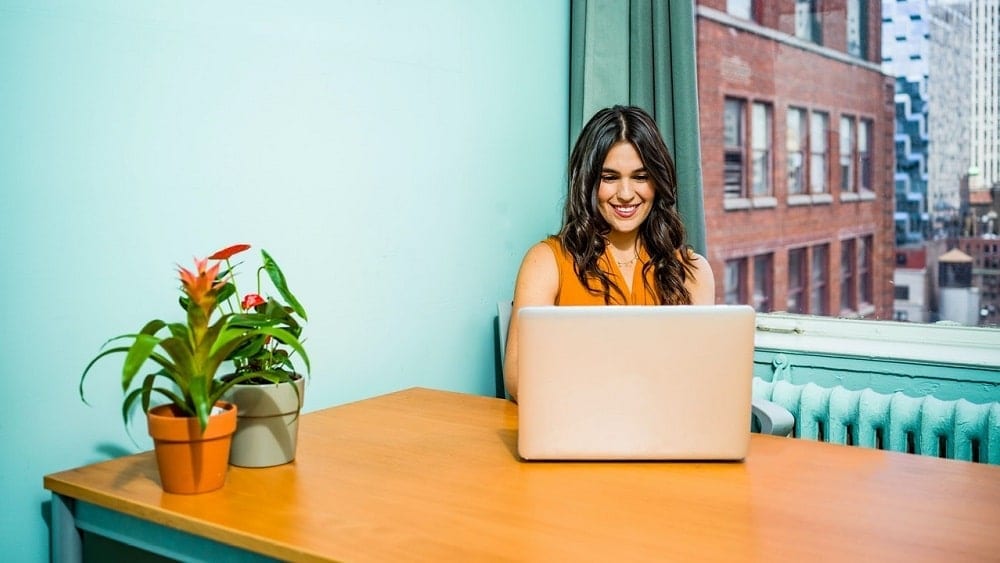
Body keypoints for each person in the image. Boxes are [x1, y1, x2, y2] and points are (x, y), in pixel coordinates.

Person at [504, 105, 716, 401]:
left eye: (641, 176)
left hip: (665, 434)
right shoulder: (545, 262)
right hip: (576, 427)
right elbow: (518, 381)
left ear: (658, 181)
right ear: (589, 181)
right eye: (609, 177)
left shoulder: (693, 271)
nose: (626, 194)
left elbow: (701, 379)